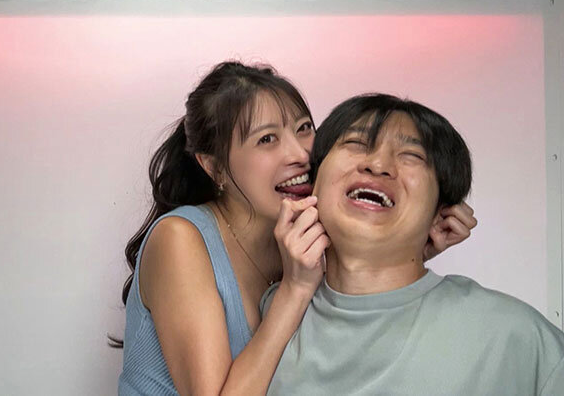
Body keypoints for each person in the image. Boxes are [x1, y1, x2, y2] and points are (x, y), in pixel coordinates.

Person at [116, 62, 477, 395]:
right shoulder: (178, 239)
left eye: (304, 129)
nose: (300, 154)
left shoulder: (304, 236)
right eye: (267, 139)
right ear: (215, 167)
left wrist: (412, 246)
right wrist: (295, 288)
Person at [263, 94, 564, 395]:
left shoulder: (515, 339)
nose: (378, 165)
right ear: (311, 185)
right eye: (356, 143)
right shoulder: (272, 314)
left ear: (441, 213)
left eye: (412, 155)